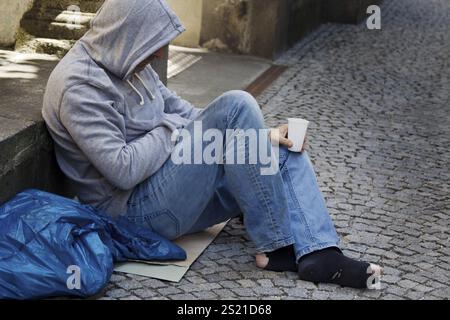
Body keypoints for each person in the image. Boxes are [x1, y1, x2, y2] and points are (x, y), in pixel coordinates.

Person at [43, 0, 382, 289]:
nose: (161, 51)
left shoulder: (129, 60)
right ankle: (277, 247)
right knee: (237, 102)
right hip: (134, 213)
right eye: (154, 43)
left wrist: (262, 136)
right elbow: (124, 169)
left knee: (279, 152)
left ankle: (320, 254)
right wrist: (171, 129)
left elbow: (190, 115)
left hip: (173, 185)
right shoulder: (79, 87)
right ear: (127, 36)